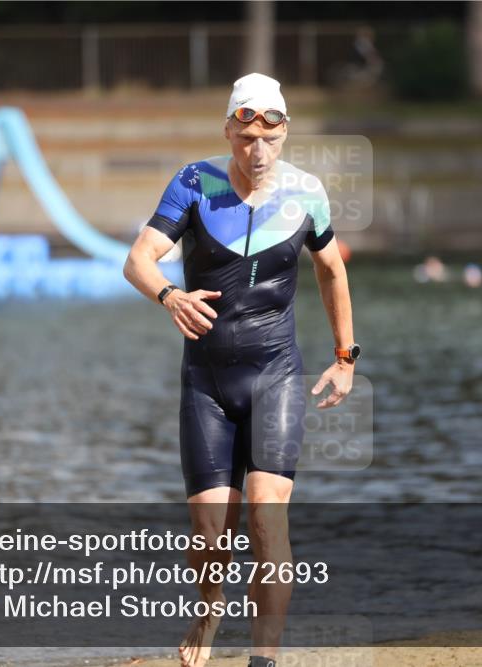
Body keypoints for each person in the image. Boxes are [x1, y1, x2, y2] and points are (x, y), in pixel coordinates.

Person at [123, 72, 359, 667]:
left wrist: (344, 357)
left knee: (265, 517)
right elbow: (138, 260)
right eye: (246, 138)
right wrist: (169, 296)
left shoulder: (306, 193)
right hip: (205, 381)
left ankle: (264, 660)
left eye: (270, 141)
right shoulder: (195, 182)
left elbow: (333, 270)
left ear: (284, 136)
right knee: (208, 535)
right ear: (229, 130)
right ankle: (208, 606)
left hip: (275, 372)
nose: (257, 154)